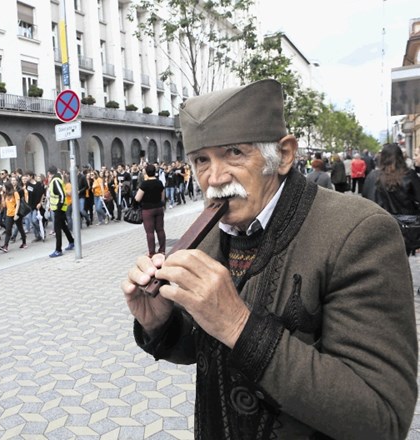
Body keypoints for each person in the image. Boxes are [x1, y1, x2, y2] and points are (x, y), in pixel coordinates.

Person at [121, 79, 417, 439]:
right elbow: (204, 348)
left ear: (285, 155)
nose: (214, 178)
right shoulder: (209, 237)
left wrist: (237, 324)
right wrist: (161, 323)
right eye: (201, 160)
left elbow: (381, 419)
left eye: (234, 153)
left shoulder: (359, 232)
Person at [363, 143, 420, 256]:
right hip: (406, 228)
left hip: (380, 226)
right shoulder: (409, 174)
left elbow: (365, 199)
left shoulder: (373, 176)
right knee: (403, 258)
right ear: (400, 157)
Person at [134, 164, 165, 257]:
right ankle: (162, 250)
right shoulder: (159, 183)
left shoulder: (144, 184)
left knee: (150, 232)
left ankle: (152, 252)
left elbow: (137, 198)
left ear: (146, 172)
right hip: (159, 208)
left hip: (147, 210)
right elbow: (163, 197)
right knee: (160, 230)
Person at [47, 166, 74, 258]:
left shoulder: (55, 181)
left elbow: (61, 195)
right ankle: (71, 241)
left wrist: (58, 206)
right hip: (58, 207)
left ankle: (58, 250)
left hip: (59, 208)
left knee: (57, 229)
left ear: (49, 173)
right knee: (63, 226)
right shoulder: (57, 179)